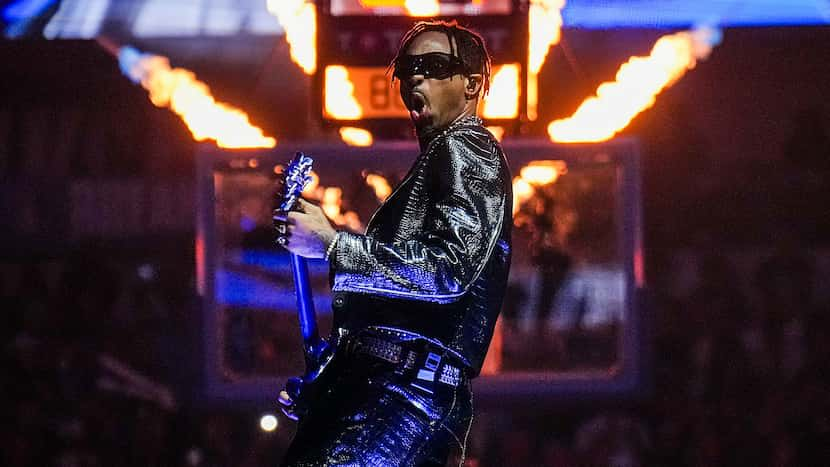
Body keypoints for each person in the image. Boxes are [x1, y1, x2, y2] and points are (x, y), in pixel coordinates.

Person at [274, 20, 512, 467]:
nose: (415, 78)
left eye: (434, 66)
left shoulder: (467, 147)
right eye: (406, 68)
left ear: (472, 85)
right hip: (392, 390)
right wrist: (330, 384)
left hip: (406, 394)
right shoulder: (437, 161)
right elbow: (395, 310)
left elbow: (449, 269)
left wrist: (333, 243)